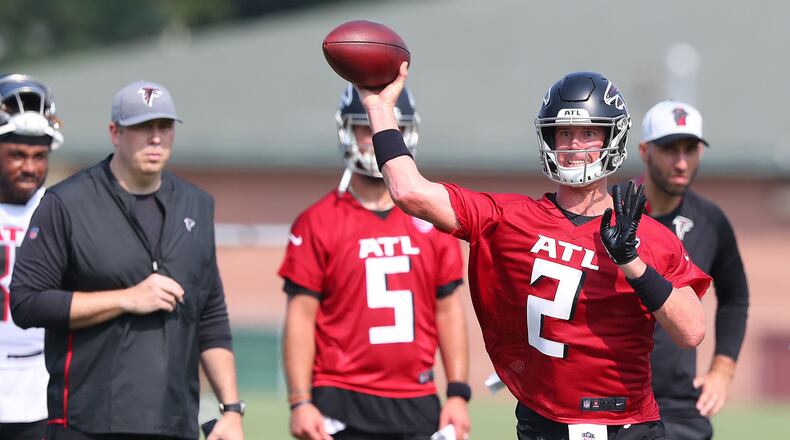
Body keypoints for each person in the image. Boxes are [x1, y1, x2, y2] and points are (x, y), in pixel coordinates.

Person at [355, 66, 712, 440]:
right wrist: (379, 108)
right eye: (565, 133)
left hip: (627, 428)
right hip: (543, 425)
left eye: (589, 133)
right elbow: (410, 191)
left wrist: (631, 261)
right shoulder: (509, 219)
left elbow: (692, 330)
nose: (575, 146)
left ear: (613, 136)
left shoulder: (647, 236)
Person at [9, 80, 244, 440]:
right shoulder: (66, 203)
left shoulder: (197, 204)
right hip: (86, 423)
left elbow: (210, 315)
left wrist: (230, 409)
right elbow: (26, 303)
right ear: (115, 133)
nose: (155, 138)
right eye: (142, 128)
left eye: (163, 127)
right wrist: (126, 299)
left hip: (175, 424)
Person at [279, 84, 471, 440]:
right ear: (346, 131)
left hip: (416, 396)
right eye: (364, 128)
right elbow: (300, 317)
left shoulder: (432, 222)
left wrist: (458, 393)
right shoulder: (317, 222)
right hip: (340, 396)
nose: (373, 139)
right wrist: (299, 401)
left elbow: (449, 311)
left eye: (385, 129)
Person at [630, 100, 749, 440]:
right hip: (613, 397)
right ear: (644, 150)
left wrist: (723, 369)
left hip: (680, 404)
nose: (681, 162)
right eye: (669, 149)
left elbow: (735, 297)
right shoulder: (612, 210)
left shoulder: (711, 220)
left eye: (690, 149)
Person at [0, 74, 63, 440]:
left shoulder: (62, 211)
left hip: (42, 384)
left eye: (40, 156)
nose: (30, 168)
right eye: (17, 155)